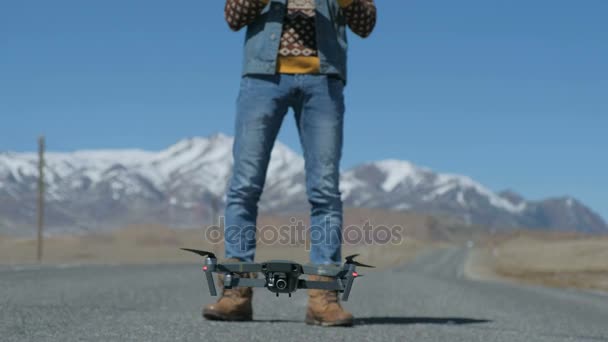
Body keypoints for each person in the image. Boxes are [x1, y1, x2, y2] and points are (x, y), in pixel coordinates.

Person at [203, 0, 376, 326]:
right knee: (244, 186)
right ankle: (235, 293)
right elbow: (233, 17)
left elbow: (365, 24)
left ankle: (323, 297)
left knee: (325, 191)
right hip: (262, 79)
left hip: (323, 82)